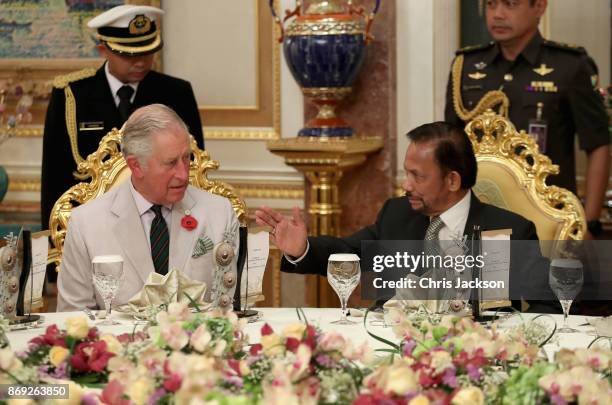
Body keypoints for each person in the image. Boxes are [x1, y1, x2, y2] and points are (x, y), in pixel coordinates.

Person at [256, 122, 550, 308]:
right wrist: (302, 249)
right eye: (406, 173)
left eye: (417, 176)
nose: (406, 184)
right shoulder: (397, 214)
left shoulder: (509, 230)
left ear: (452, 181)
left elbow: (548, 306)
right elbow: (347, 252)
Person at [41, 5, 205, 250]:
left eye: (147, 52)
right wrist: (53, 256)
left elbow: (193, 168)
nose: (140, 62)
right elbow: (54, 177)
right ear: (103, 50)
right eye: (128, 55)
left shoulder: (176, 93)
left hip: (162, 230)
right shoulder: (72, 94)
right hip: (92, 234)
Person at [444, 0, 609, 239]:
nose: (497, 14)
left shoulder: (570, 66)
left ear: (539, 7)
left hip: (548, 220)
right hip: (479, 215)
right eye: (491, 4)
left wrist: (589, 223)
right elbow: (449, 146)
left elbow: (598, 144)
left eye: (510, 4)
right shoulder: (466, 65)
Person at [57, 104, 237, 312]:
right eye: (170, 163)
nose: (183, 174)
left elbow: (230, 307)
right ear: (135, 166)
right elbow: (73, 316)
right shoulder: (86, 223)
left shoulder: (219, 213)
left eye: (186, 158)